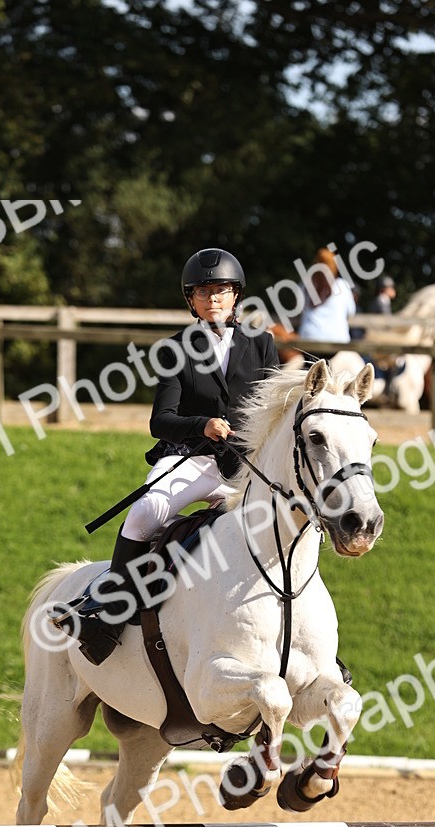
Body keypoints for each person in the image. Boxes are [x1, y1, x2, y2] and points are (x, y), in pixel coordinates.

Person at [57, 246, 279, 665]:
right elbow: (161, 420)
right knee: (145, 513)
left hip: (244, 466)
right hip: (191, 458)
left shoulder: (262, 344)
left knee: (285, 519)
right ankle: (109, 613)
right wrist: (203, 425)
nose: (212, 298)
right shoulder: (176, 349)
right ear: (191, 300)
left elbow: (273, 410)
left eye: (221, 290)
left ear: (236, 295)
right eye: (202, 292)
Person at [297, 247, 356, 346]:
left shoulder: (305, 285)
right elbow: (351, 312)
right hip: (338, 341)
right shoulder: (342, 285)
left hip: (308, 340)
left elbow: (299, 310)